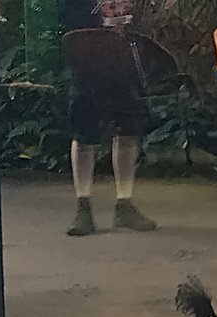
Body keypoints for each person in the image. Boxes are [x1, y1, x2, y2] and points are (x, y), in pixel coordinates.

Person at [64, 0, 158, 235]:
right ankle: (83, 206)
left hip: (124, 60)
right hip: (87, 63)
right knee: (84, 135)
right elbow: (71, 25)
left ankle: (124, 204)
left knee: (128, 132)